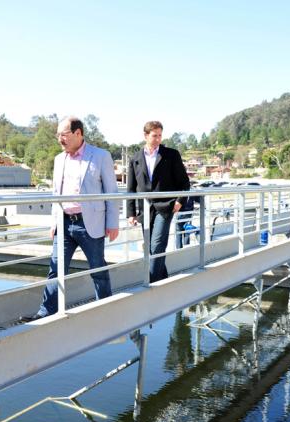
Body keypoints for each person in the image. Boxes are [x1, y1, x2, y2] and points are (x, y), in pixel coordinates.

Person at [32, 116, 120, 319]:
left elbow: (112, 192)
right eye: (58, 136)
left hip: (90, 222)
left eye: (63, 134)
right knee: (56, 269)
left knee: (97, 268)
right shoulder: (58, 159)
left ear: (78, 133)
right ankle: (46, 312)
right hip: (64, 223)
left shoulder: (100, 156)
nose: (59, 139)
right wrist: (54, 222)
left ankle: (105, 309)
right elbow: (56, 193)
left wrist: (112, 223)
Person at [127, 121, 190, 282]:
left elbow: (184, 183)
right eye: (154, 135)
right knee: (150, 248)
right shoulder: (135, 158)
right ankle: (163, 281)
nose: (158, 139)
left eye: (160, 135)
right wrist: (131, 213)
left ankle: (151, 284)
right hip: (145, 209)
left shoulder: (171, 155)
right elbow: (131, 189)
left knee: (157, 245)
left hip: (166, 206)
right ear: (145, 136)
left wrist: (180, 201)